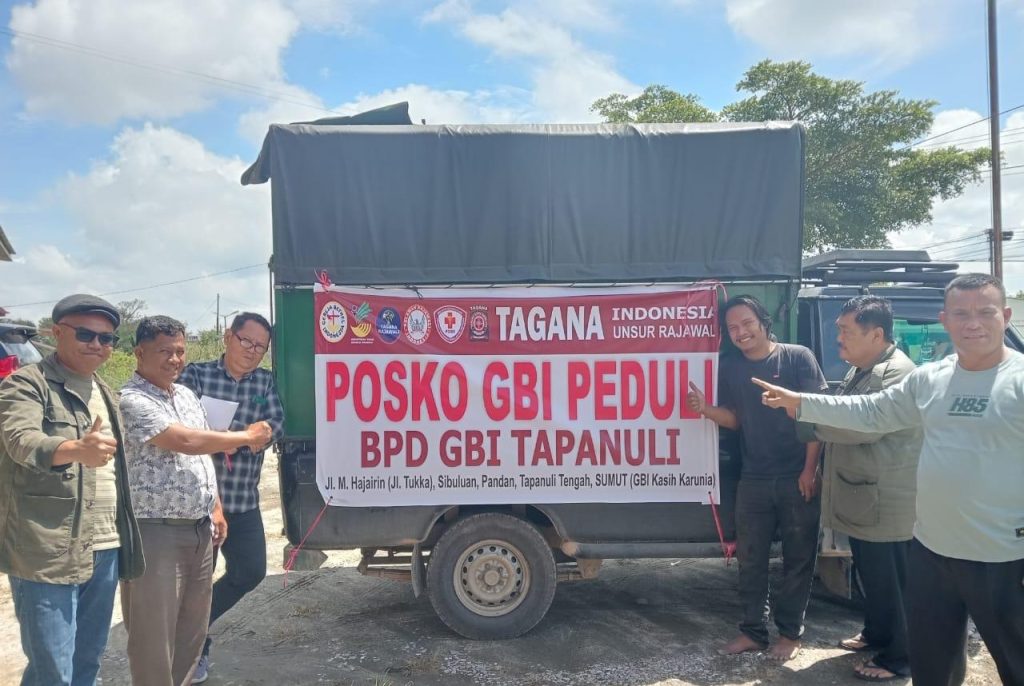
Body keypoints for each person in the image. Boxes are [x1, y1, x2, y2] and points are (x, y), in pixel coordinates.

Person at [753, 273, 1024, 686]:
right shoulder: (930, 378)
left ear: (1005, 316)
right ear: (944, 320)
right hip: (933, 550)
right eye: (961, 314)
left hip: (1003, 554)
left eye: (985, 312)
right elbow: (871, 412)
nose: (973, 323)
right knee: (932, 666)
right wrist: (802, 402)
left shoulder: (1017, 379)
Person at [118, 315, 273, 686]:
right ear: (139, 353)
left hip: (201, 527)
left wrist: (215, 506)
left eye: (179, 351)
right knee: (154, 636)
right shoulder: (132, 400)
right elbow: (186, 441)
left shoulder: (185, 396)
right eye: (164, 351)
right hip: (156, 531)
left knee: (191, 629)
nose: (174, 359)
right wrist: (246, 436)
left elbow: (203, 456)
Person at [0, 294, 145, 686]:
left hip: (105, 546)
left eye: (106, 338)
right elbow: (21, 440)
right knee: (53, 672)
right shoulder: (26, 384)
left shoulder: (106, 392)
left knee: (87, 664)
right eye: (85, 334)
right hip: (46, 549)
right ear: (56, 332)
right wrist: (75, 450)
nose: (97, 344)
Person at [687, 295, 826, 661]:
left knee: (798, 559)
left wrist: (810, 470)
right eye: (733, 328)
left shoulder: (797, 357)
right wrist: (706, 410)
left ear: (764, 321)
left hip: (797, 476)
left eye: (747, 323)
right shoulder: (731, 367)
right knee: (750, 559)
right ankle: (753, 632)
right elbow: (736, 419)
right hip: (754, 479)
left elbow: (815, 417)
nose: (741, 332)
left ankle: (790, 634)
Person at [809, 296, 920, 682]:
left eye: (846, 331)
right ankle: (878, 633)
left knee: (896, 583)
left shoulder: (896, 373)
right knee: (874, 577)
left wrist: (803, 413)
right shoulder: (863, 367)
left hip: (888, 501)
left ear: (876, 334)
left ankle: (902, 657)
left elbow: (861, 425)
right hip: (865, 498)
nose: (838, 338)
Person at [178, 312, 283, 683]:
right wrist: (239, 437)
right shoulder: (196, 375)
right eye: (246, 341)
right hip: (199, 505)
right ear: (228, 337)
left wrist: (263, 431)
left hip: (241, 500)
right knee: (196, 583)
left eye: (260, 347)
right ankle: (190, 652)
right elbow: (181, 427)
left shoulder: (264, 382)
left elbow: (275, 423)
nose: (252, 351)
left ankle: (196, 630)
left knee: (251, 571)